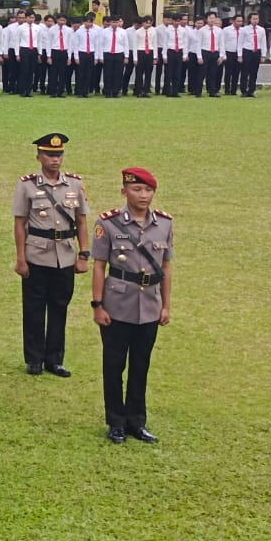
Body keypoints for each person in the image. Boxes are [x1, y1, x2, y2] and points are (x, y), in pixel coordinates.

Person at [91, 168, 173, 444]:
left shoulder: (164, 223)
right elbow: (99, 266)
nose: (143, 195)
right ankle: (115, 422)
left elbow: (166, 267)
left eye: (148, 190)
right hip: (117, 304)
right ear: (124, 191)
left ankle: (137, 422)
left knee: (141, 365)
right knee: (114, 366)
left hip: (149, 305)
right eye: (137, 189)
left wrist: (166, 305)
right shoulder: (109, 223)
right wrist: (98, 305)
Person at [12, 133, 88, 379]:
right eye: (49, 154)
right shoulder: (27, 185)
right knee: (34, 309)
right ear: (39, 157)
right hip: (37, 254)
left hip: (65, 256)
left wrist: (84, 253)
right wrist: (21, 258)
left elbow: (82, 220)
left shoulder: (74, 184)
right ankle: (34, 358)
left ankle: (55, 359)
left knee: (59, 308)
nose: (55, 160)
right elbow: (20, 223)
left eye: (58, 154)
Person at [238, 12, 266, 97]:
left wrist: (263, 55)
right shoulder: (244, 29)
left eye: (257, 19)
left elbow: (263, 42)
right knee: (245, 72)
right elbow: (240, 42)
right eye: (253, 19)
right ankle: (243, 90)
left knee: (254, 72)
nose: (255, 21)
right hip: (247, 51)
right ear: (250, 19)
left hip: (256, 52)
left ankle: (251, 90)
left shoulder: (261, 30)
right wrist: (240, 55)